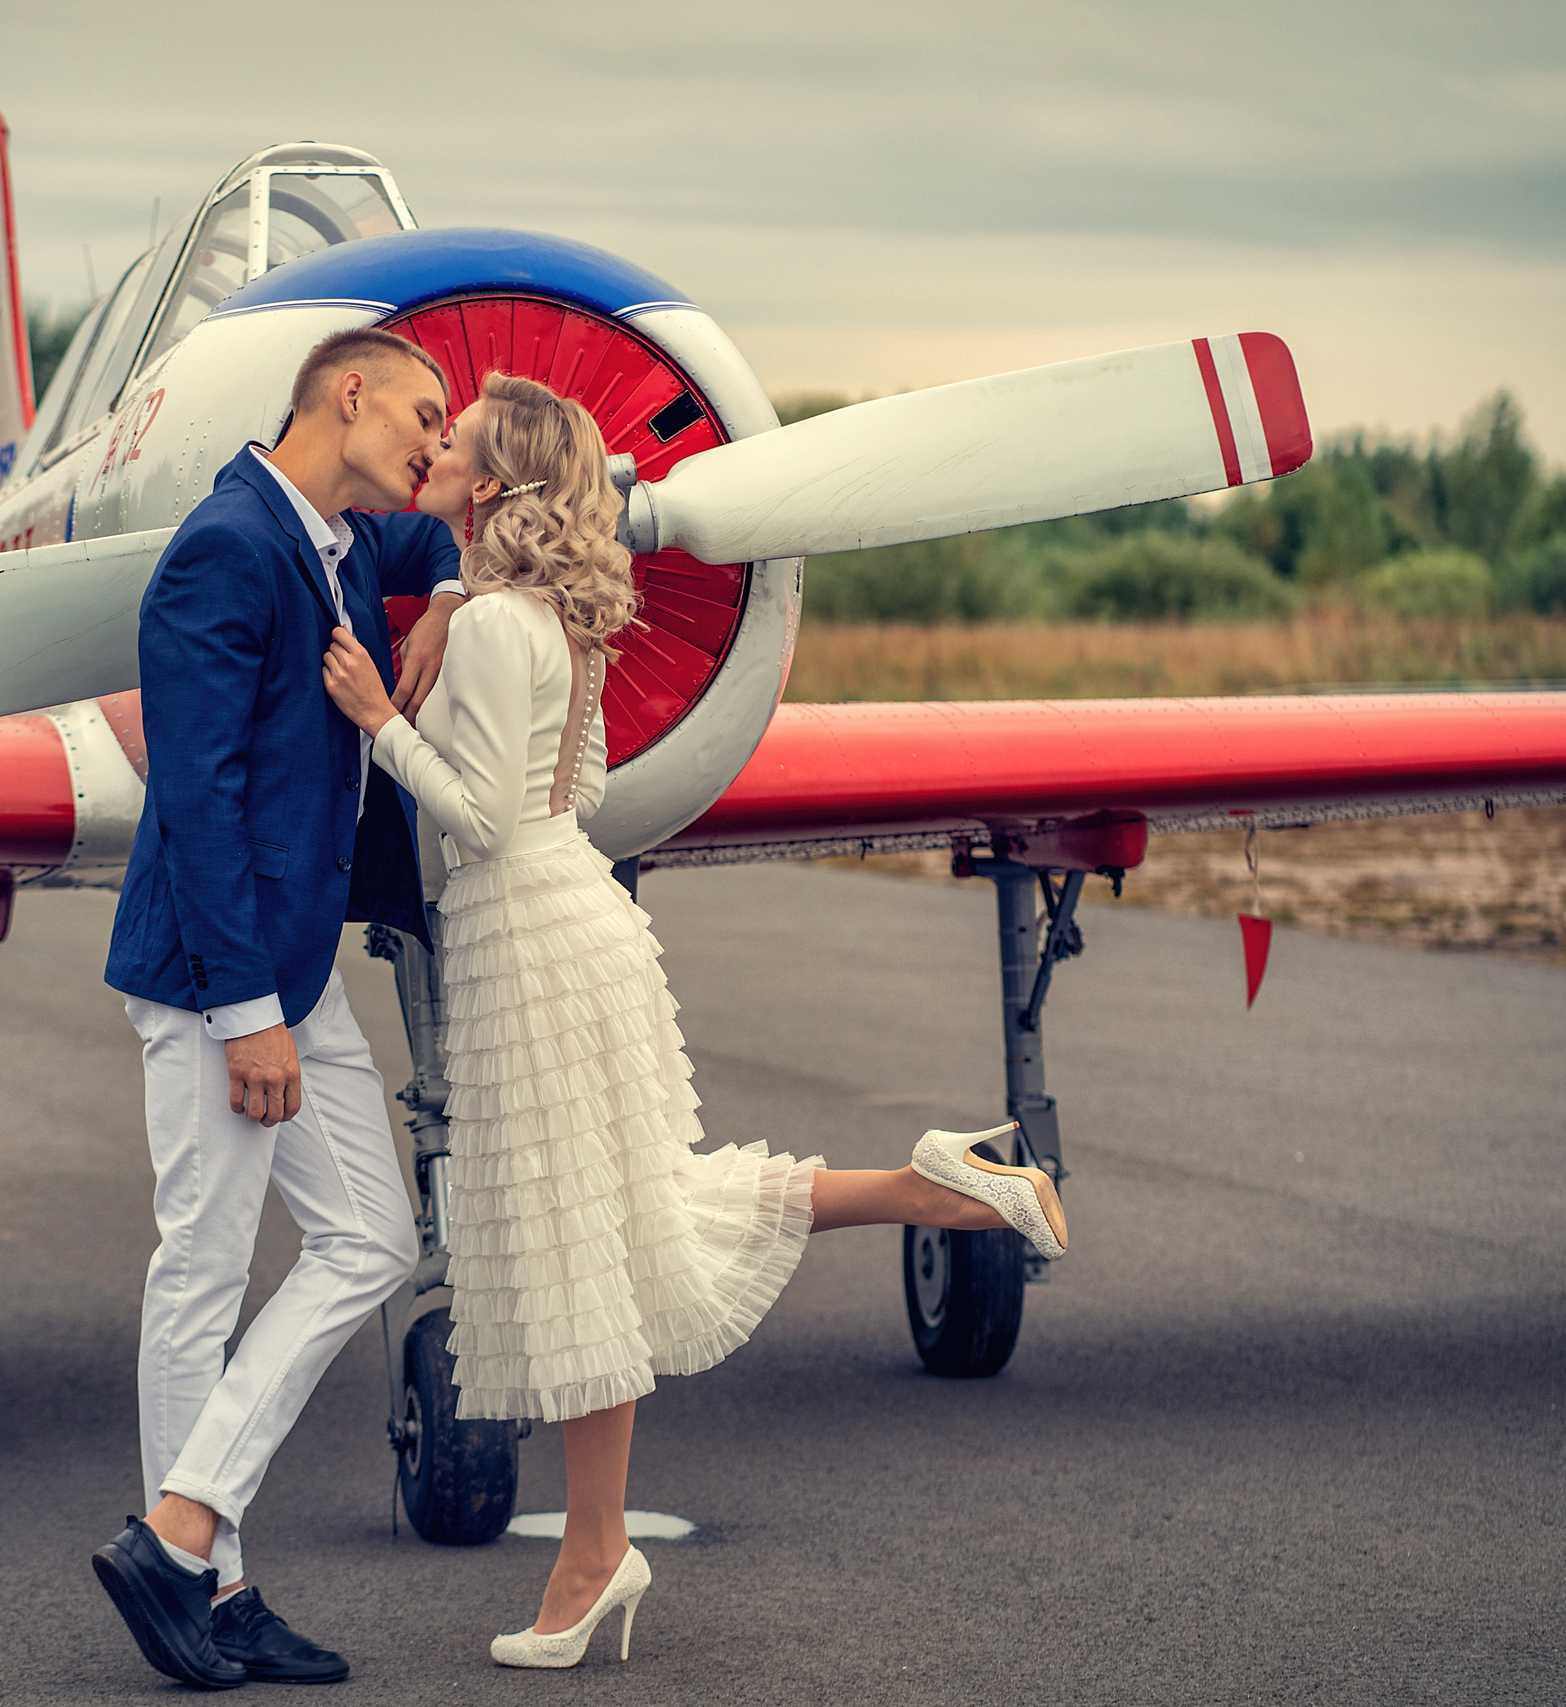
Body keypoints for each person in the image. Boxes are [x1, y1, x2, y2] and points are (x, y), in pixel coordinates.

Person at [320, 372, 1070, 1670]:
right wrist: (443, 610)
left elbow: (483, 821)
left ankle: (596, 1556)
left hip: (525, 937)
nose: (434, 450)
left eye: (460, 444)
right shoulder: (544, 619)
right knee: (626, 1225)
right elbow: (587, 783)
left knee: (581, 1248)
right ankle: (930, 1183)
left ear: (492, 487)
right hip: (572, 915)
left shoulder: (496, 629)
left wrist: (383, 724)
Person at [91, 327, 466, 1690]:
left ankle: (179, 1537)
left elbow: (437, 547)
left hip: (293, 965)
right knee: (201, 1265)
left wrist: (449, 585)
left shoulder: (349, 542)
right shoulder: (227, 548)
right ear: (345, 394)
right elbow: (195, 794)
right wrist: (246, 1011)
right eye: (426, 414)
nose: (437, 442)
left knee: (370, 1236)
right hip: (218, 975)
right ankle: (212, 1583)